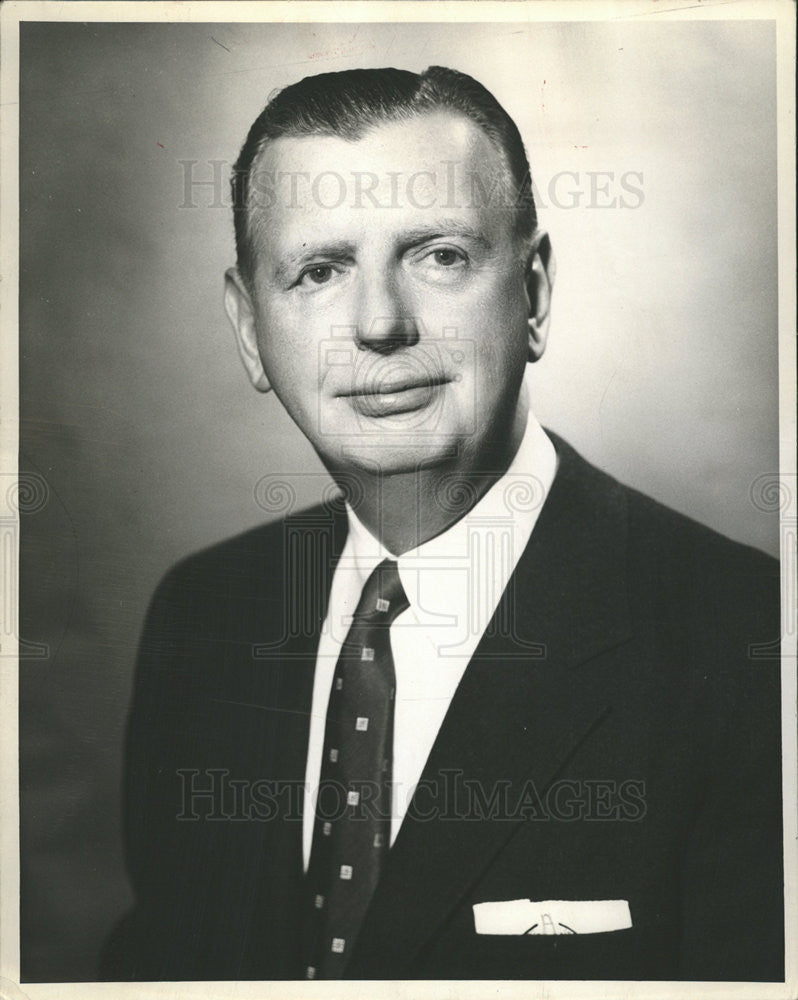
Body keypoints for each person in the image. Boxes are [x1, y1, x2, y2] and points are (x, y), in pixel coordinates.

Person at [101, 66, 783, 982]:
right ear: (250, 330)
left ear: (533, 293)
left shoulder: (748, 640)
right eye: (319, 270)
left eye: (439, 256)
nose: (380, 323)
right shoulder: (203, 616)